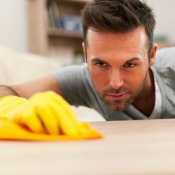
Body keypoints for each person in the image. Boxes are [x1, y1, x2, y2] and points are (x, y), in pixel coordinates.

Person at [0, 0, 175, 134]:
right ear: (85, 54)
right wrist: (17, 107)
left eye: (129, 64)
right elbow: (6, 91)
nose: (115, 83)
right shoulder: (81, 80)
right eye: (101, 64)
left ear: (151, 55)